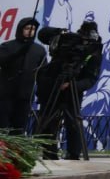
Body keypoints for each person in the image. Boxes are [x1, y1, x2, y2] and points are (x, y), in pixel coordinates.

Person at [34, 21, 101, 160]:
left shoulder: (94, 51)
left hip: (73, 91)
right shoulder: (68, 39)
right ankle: (49, 153)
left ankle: (73, 154)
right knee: (47, 120)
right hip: (52, 86)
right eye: (84, 39)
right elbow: (42, 34)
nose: (85, 42)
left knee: (73, 122)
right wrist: (59, 31)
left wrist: (72, 86)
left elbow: (90, 79)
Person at [0, 18, 47, 133]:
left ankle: (15, 151)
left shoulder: (39, 50)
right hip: (5, 95)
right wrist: (18, 53)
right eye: (27, 28)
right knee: (2, 127)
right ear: (20, 29)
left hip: (25, 96)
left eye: (33, 29)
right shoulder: (7, 46)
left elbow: (43, 73)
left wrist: (41, 94)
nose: (30, 31)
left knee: (19, 129)